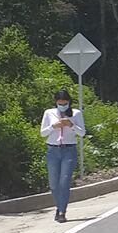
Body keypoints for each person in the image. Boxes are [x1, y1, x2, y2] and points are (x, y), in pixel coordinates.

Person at [40, 89, 85, 222]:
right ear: (56, 102)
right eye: (60, 103)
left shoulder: (76, 113)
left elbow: (82, 133)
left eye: (65, 103)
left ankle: (62, 212)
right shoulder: (49, 113)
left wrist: (71, 125)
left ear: (69, 102)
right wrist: (54, 126)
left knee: (64, 181)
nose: (62, 105)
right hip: (53, 150)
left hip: (69, 150)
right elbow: (43, 133)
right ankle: (58, 206)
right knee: (54, 184)